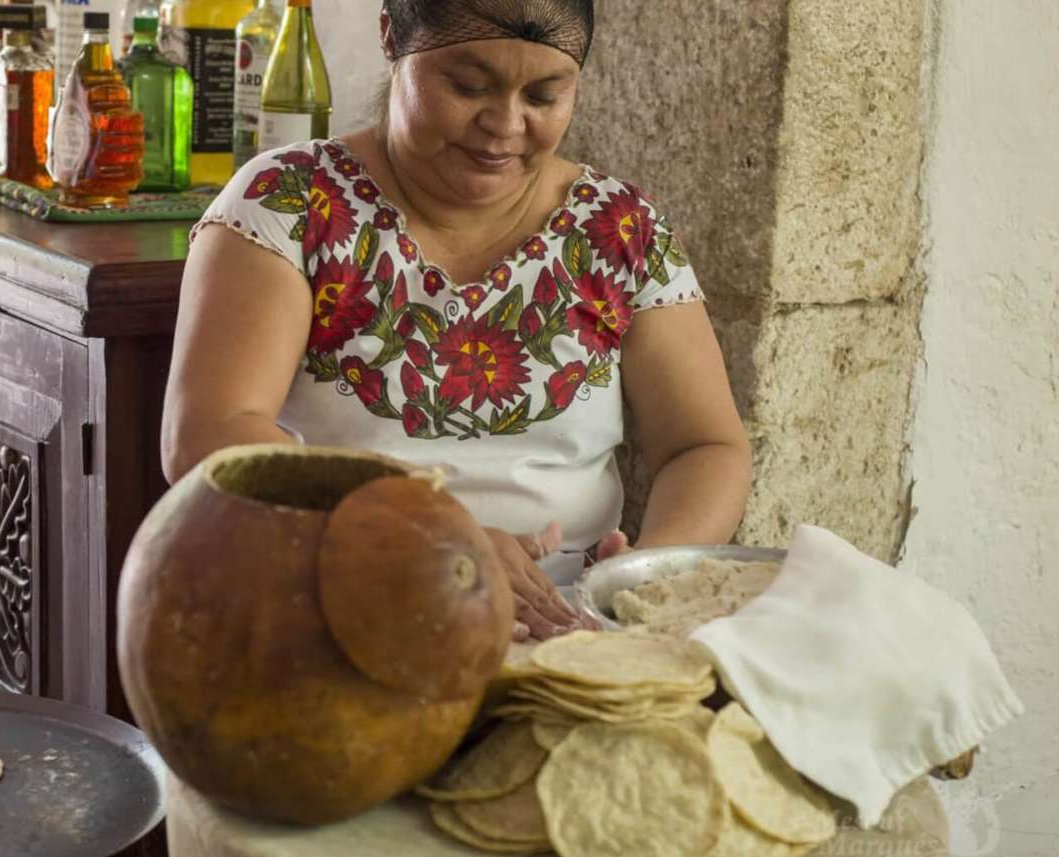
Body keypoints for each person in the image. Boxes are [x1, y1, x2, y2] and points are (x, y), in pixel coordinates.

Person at [160, 0, 751, 641]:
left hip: (567, 636)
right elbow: (209, 432)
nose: (504, 124)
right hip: (333, 622)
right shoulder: (289, 202)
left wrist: (639, 577)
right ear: (391, 38)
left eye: (544, 95)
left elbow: (705, 447)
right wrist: (430, 540)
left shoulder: (616, 230)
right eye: (468, 86)